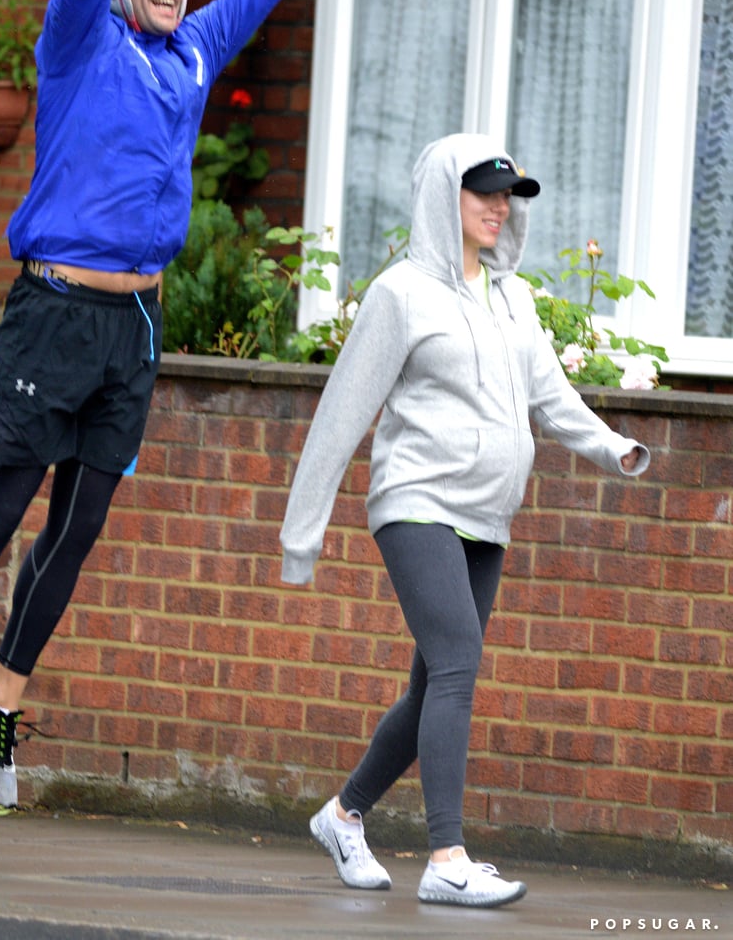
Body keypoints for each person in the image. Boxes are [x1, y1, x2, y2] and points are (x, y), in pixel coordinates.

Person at [0, 0, 316, 813]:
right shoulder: (79, 40)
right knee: (3, 508)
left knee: (79, 526)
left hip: (134, 324)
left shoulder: (194, 51)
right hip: (52, 313)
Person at [279, 133, 650, 909]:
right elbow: (342, 415)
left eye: (505, 195)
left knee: (431, 687)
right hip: (415, 501)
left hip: (487, 515)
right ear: (441, 195)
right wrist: (300, 537)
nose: (496, 206)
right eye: (480, 191)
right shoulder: (400, 293)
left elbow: (550, 397)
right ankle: (446, 856)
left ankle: (344, 814)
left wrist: (613, 447)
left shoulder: (512, 297)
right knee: (456, 663)